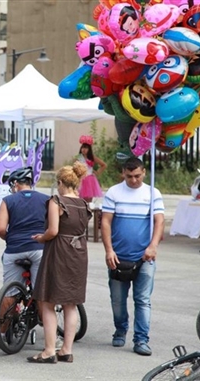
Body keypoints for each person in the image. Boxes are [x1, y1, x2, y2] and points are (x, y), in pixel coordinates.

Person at [101, 157, 165, 356]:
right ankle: (120, 329)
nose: (134, 180)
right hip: (118, 257)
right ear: (123, 173)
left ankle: (141, 339)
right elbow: (105, 222)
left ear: (144, 172)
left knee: (143, 300)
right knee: (118, 299)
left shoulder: (152, 193)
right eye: (129, 176)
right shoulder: (114, 192)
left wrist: (153, 246)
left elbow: (159, 222)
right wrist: (109, 250)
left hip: (145, 257)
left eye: (137, 176)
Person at [29, 162, 90, 364]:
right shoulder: (83, 203)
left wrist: (41, 237)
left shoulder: (56, 201)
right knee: (70, 303)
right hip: (79, 252)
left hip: (60, 250)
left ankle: (48, 350)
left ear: (61, 182)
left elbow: (53, 230)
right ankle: (67, 350)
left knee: (47, 301)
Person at [0, 167, 50, 346]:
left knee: (9, 292)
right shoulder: (46, 200)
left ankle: (1, 336)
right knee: (41, 292)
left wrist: (10, 239)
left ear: (16, 184)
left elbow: (0, 229)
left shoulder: (8, 200)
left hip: (15, 249)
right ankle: (50, 335)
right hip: (39, 248)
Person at [76, 135, 106, 203]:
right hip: (80, 179)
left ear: (89, 149)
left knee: (88, 200)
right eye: (83, 147)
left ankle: (88, 212)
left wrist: (97, 172)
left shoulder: (92, 157)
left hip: (89, 180)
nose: (84, 149)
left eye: (86, 148)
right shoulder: (79, 158)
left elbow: (103, 165)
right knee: (80, 199)